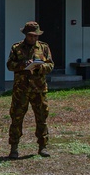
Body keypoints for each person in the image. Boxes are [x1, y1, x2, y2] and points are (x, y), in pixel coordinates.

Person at [6, 21, 55, 158]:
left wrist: (41, 67)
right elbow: (10, 65)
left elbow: (50, 65)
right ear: (26, 35)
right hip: (21, 90)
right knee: (16, 118)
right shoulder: (17, 48)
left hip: (38, 89)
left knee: (41, 118)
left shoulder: (44, 48)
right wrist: (22, 65)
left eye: (36, 36)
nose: (33, 38)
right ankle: (14, 147)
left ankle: (43, 146)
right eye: (31, 36)